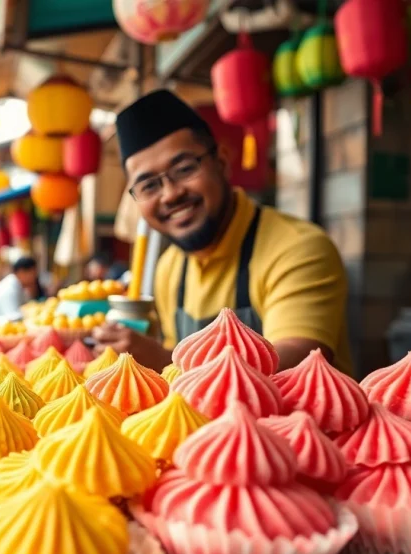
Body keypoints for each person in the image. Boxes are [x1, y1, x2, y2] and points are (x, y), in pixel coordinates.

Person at [93, 89, 351, 374]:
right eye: (149, 186)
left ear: (223, 163)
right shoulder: (168, 270)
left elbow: (296, 367)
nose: (170, 194)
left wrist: (163, 360)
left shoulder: (299, 249)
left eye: (184, 169)